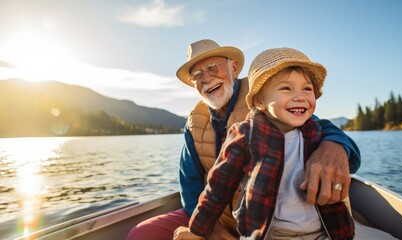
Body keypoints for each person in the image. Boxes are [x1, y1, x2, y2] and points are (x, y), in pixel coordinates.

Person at [126, 40, 360, 240]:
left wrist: (335, 147)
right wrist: (209, 228)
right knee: (141, 234)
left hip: (261, 220)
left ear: (234, 67)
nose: (206, 78)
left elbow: (321, 127)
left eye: (212, 67)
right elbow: (190, 185)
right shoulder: (194, 122)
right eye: (197, 75)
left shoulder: (269, 94)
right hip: (218, 216)